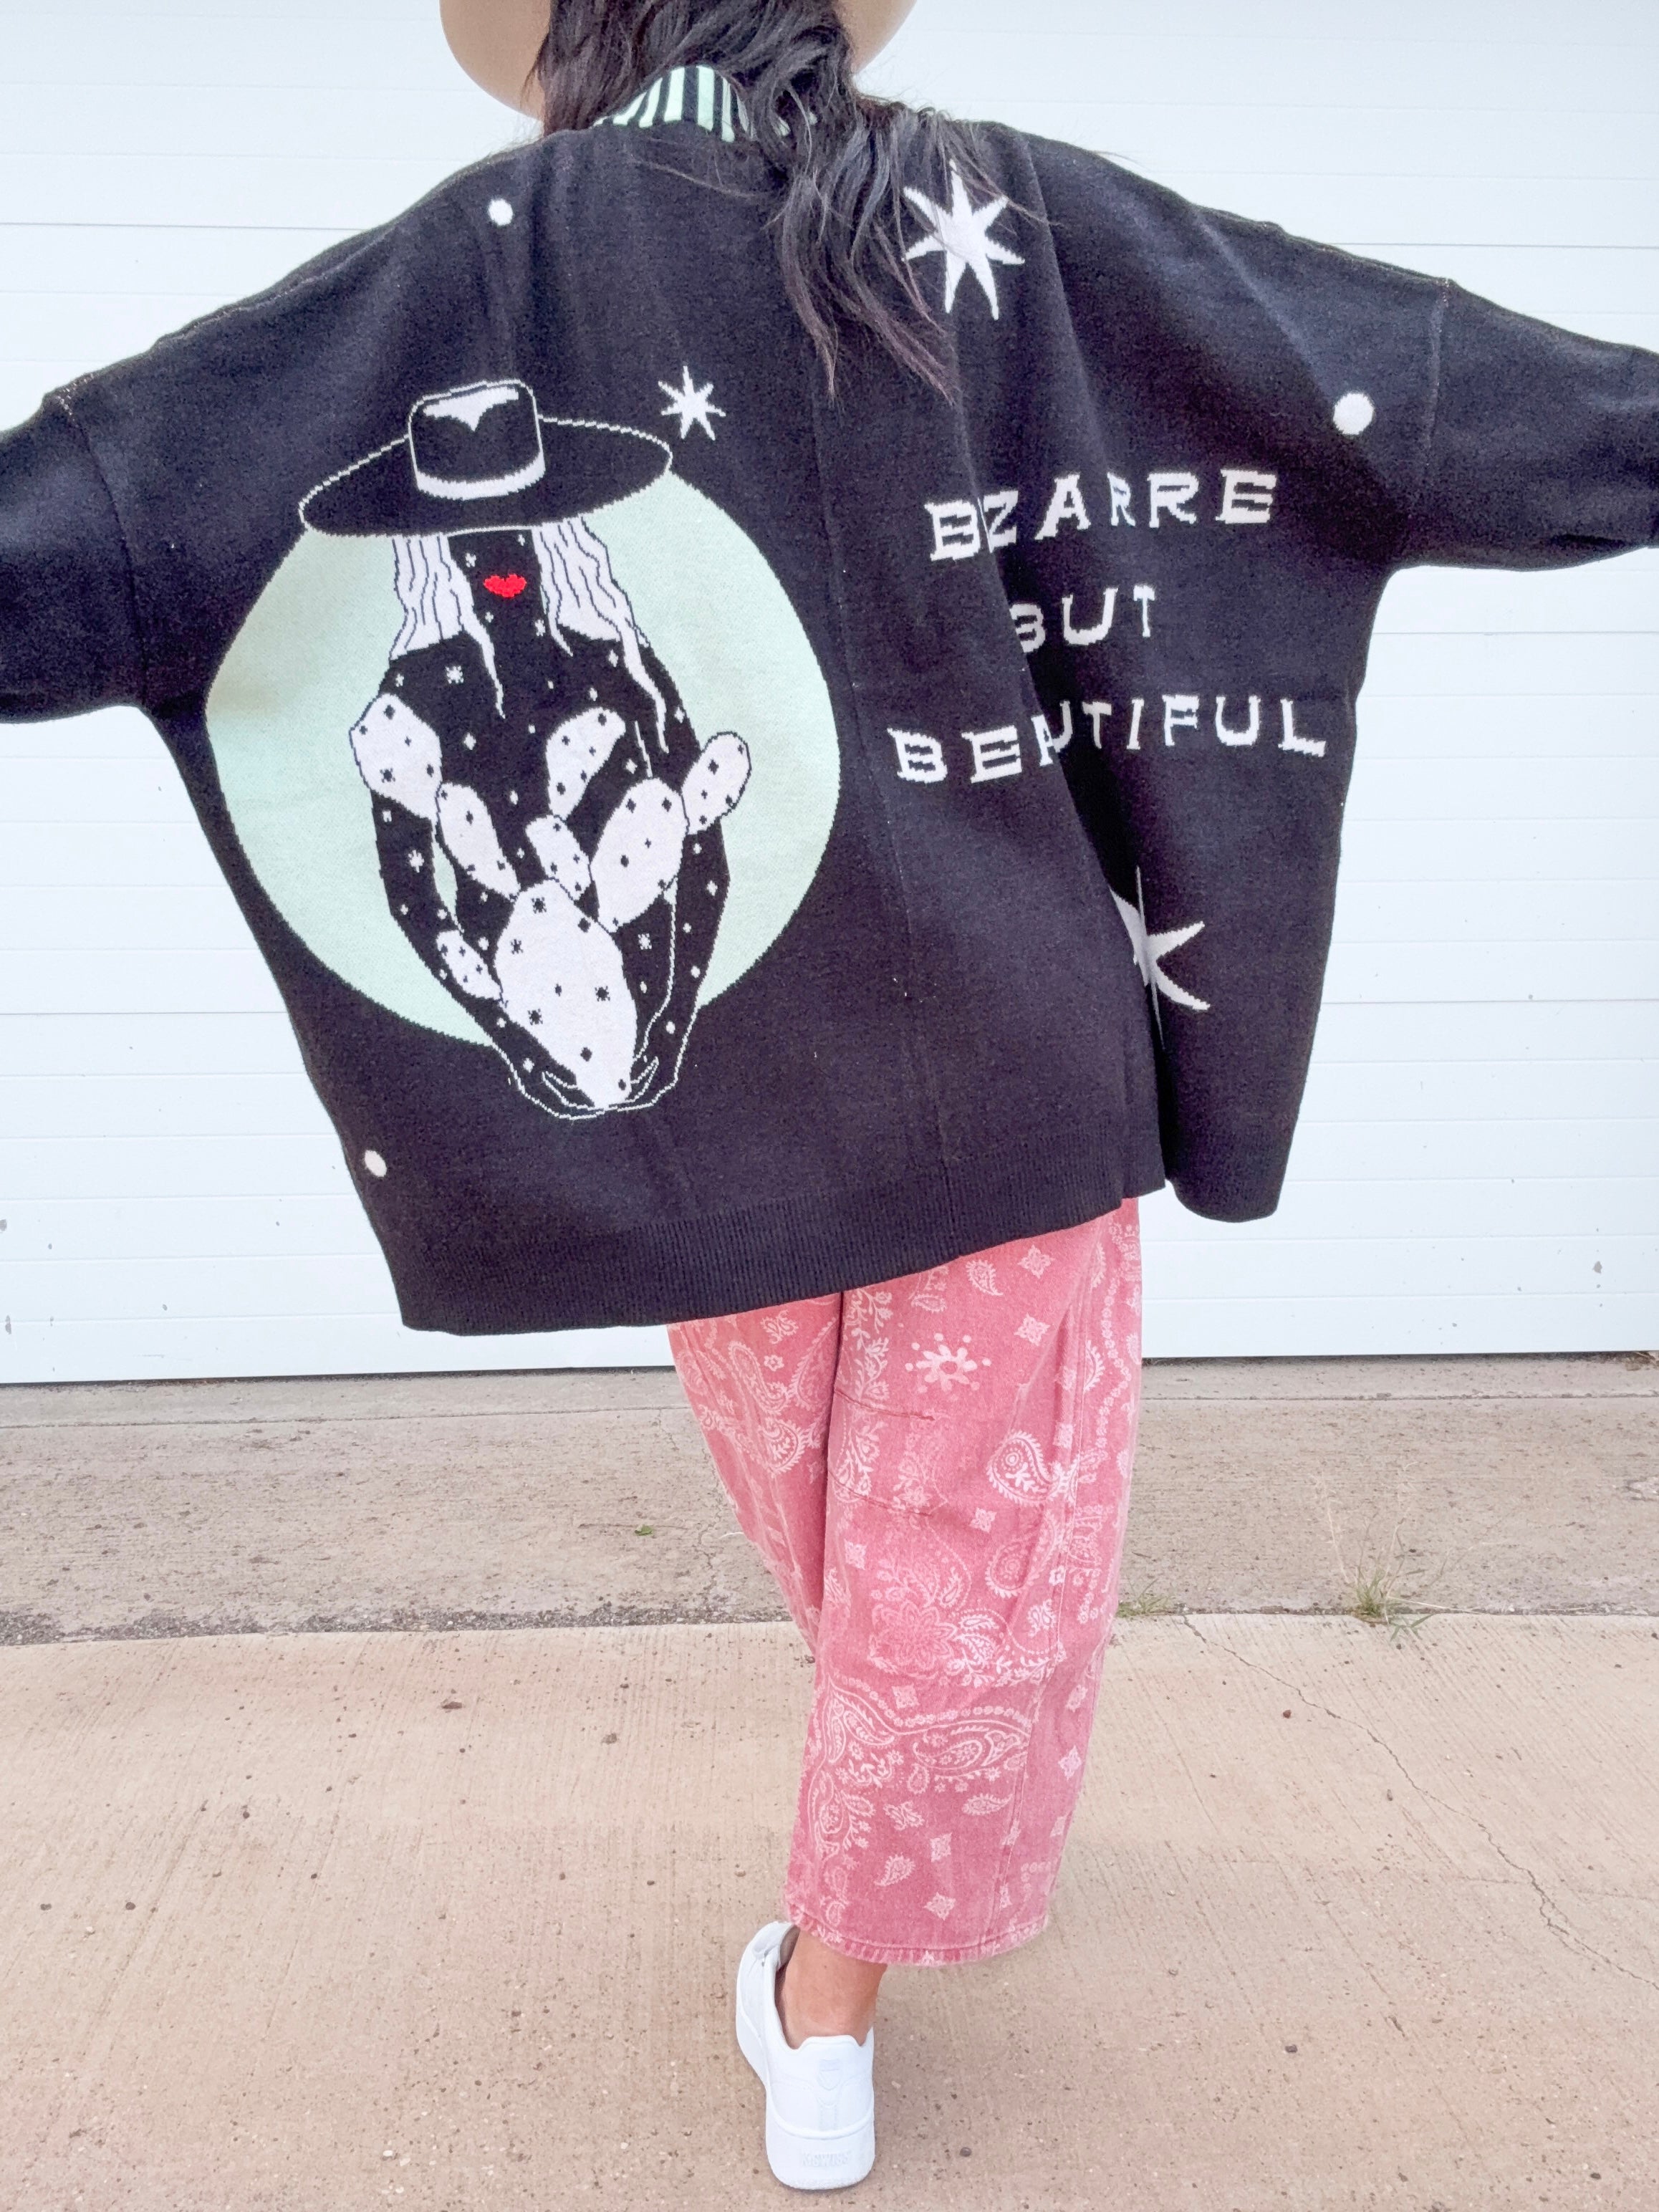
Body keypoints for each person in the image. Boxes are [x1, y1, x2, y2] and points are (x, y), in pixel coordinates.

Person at [2, 0, 1655, 2188]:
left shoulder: (461, 272)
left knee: (888, 1583)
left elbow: (81, 535)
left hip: (712, 1136)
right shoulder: (1008, 224)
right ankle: (857, 1939)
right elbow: (1432, 401)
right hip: (1002, 1078)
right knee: (942, 1586)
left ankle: (831, 2004)